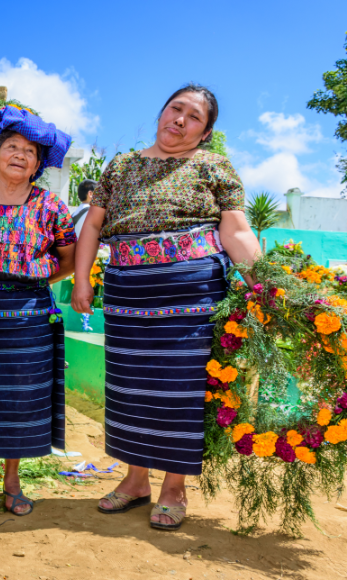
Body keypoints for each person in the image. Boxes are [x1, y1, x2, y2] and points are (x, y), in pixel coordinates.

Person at [71, 84, 261, 531]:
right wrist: (82, 279)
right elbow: (93, 226)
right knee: (129, 387)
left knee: (180, 391)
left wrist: (264, 284)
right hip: (127, 295)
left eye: (193, 117)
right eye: (175, 109)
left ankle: (174, 487)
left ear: (205, 131)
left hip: (190, 296)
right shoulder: (122, 165)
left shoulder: (214, 167)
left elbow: (235, 230)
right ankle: (135, 480)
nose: (180, 120)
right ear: (161, 111)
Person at [0, 107, 76, 518]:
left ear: (39, 164)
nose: (20, 156)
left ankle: (12, 481)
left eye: (30, 151)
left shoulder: (50, 207)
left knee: (20, 401)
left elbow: (70, 259)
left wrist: (36, 278)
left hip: (30, 318)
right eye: (11, 147)